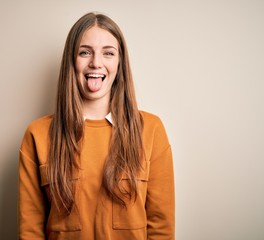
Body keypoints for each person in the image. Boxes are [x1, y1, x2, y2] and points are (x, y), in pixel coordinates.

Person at [18, 12, 175, 240]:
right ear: (71, 61)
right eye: (85, 52)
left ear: (120, 64)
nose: (96, 63)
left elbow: (162, 227)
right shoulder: (37, 134)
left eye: (108, 53)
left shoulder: (151, 130)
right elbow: (30, 231)